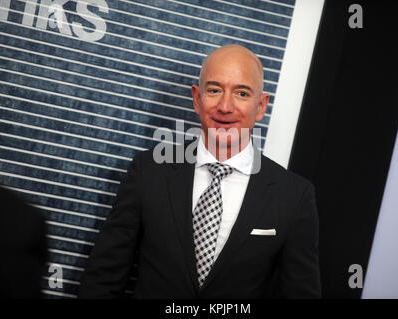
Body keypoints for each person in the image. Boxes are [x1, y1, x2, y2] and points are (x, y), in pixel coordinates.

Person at [78, 44, 321, 298]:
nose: (225, 106)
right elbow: (102, 280)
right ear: (197, 98)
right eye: (215, 90)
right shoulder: (149, 172)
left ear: (260, 106)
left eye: (241, 93)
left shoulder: (294, 196)